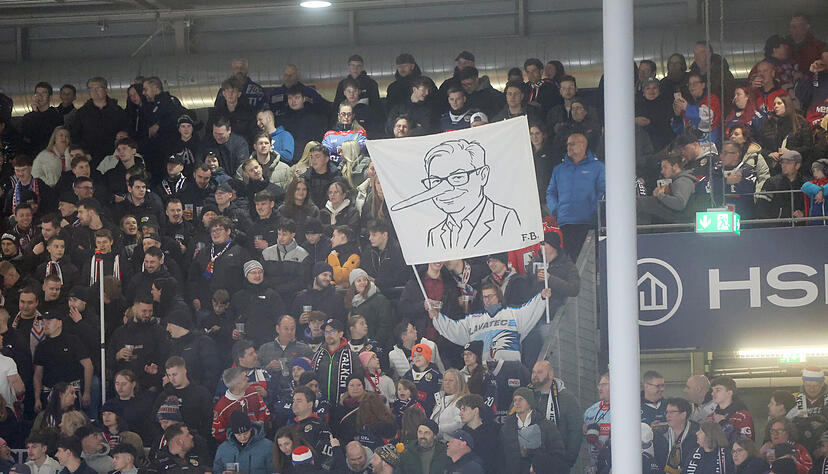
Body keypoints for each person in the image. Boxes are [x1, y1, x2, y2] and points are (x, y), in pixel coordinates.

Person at [429, 285, 553, 363]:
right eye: (484, 297)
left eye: (490, 296)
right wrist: (437, 318)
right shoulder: (473, 319)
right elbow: (454, 329)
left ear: (498, 296)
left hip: (510, 368)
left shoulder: (512, 314)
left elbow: (530, 309)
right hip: (483, 370)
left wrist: (541, 297)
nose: (487, 300)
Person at [546, 132, 605, 261]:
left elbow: (603, 191)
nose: (569, 147)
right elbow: (550, 192)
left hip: (588, 223)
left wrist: (594, 211)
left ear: (583, 145)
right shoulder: (559, 169)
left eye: (572, 144)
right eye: (568, 144)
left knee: (589, 262)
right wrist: (556, 210)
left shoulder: (598, 168)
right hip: (565, 223)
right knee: (569, 262)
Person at [500, 387, 566, 473]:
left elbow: (559, 456)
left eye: (521, 399)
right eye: (515, 400)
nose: (517, 403)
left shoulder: (546, 426)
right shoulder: (506, 429)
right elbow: (500, 459)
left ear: (530, 402)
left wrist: (537, 462)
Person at [530, 360, 582, 468]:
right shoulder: (525, 395)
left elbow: (575, 431)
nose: (535, 376)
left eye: (539, 372)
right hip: (529, 463)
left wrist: (568, 461)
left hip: (556, 463)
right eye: (533, 372)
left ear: (551, 374)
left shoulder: (567, 399)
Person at [71, 77, 129, 165]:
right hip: (89, 158)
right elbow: (75, 135)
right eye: (91, 89)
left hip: (113, 157)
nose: (94, 91)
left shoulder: (117, 111)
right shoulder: (82, 113)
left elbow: (126, 131)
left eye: (98, 88)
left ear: (106, 90)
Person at [153, 357, 213, 440]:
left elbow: (209, 420)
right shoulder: (163, 396)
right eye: (169, 375)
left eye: (175, 374)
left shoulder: (201, 393)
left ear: (184, 371)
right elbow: (155, 422)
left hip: (196, 440)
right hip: (170, 442)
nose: (172, 379)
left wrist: (198, 439)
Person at [211, 367, 271, 443]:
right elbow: (218, 434)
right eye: (244, 378)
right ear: (237, 385)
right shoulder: (222, 407)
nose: (248, 379)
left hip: (259, 440)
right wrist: (235, 443)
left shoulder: (253, 392)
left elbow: (265, 413)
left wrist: (260, 428)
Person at [311, 318, 362, 404]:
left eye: (332, 332)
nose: (328, 335)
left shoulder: (352, 356)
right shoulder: (317, 355)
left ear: (341, 334)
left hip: (344, 404)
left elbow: (359, 380)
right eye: (326, 332)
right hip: (321, 405)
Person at [758, 95, 814, 172]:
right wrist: (769, 153)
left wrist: (790, 152)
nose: (775, 106)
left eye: (779, 103)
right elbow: (760, 145)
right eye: (774, 104)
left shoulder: (801, 123)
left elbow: (808, 147)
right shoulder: (769, 124)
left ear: (787, 105)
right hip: (774, 166)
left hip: (798, 167)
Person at [289, 386, 336, 470]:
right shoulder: (290, 426)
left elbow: (328, 458)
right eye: (293, 401)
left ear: (310, 404)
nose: (294, 404)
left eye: (299, 401)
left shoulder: (320, 426)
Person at [672, 71, 723, 145]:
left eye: (695, 83)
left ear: (703, 85)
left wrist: (687, 108)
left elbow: (707, 118)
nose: (692, 86)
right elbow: (679, 131)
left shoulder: (711, 99)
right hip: (692, 149)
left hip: (710, 147)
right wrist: (677, 115)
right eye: (689, 84)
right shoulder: (689, 105)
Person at [759, 150, 807, 222]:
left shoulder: (805, 184)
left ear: (797, 165)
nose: (784, 165)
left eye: (788, 163)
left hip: (800, 228)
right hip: (776, 228)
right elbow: (761, 208)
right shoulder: (772, 182)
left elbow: (811, 206)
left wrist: (804, 213)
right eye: (782, 162)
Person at [20, 82, 64, 156]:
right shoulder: (28, 117)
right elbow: (26, 136)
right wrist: (35, 113)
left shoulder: (56, 116)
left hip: (49, 156)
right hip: (30, 156)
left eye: (43, 93)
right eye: (37, 93)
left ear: (50, 97)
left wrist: (36, 114)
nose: (40, 97)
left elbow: (44, 134)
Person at [709, 375, 755, 443]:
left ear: (729, 393)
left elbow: (746, 444)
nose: (712, 393)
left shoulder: (742, 416)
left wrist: (723, 424)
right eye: (712, 390)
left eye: (718, 390)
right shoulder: (710, 417)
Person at [403, 344, 443, 417]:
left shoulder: (436, 375)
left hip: (428, 414)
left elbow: (439, 397)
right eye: (414, 356)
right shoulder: (408, 374)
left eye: (420, 355)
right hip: (409, 414)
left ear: (427, 356)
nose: (417, 358)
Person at [298, 145, 342, 210]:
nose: (313, 160)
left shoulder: (337, 178)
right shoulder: (304, 178)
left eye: (317, 156)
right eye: (311, 157)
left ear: (326, 159)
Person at [663, 397, 700, 474]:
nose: (667, 415)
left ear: (683, 415)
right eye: (666, 412)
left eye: (672, 412)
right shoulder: (660, 434)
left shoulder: (698, 433)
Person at [795, 47, 828, 128]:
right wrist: (810, 73)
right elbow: (801, 96)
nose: (826, 62)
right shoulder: (813, 76)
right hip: (813, 125)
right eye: (824, 59)